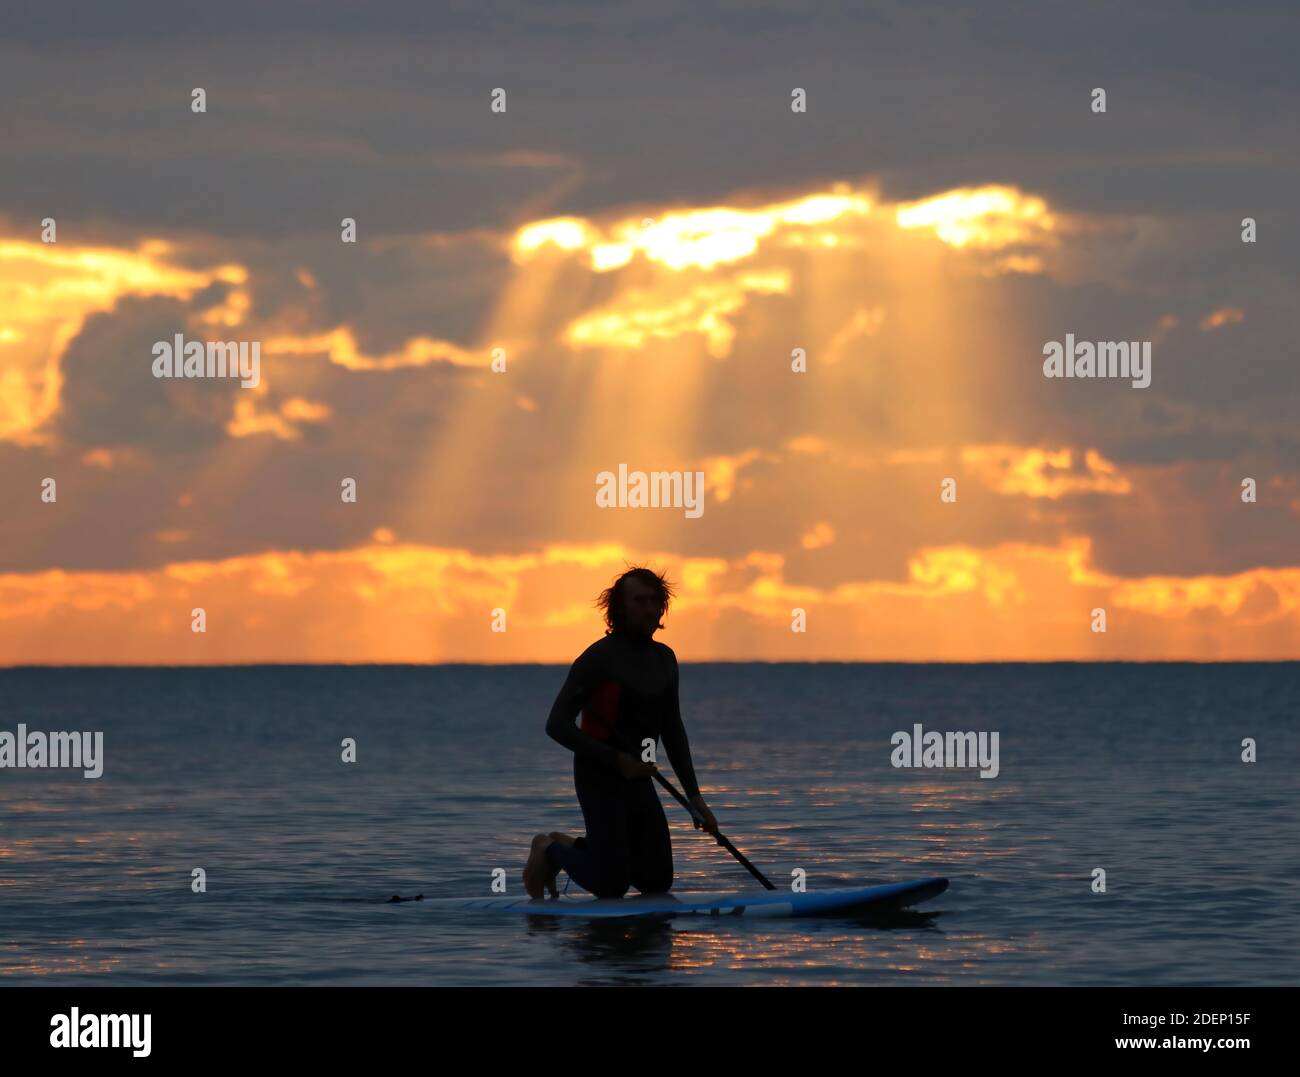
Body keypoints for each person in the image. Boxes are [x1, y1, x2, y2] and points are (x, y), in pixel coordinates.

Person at [522, 566, 718, 899]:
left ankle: (581, 850)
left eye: (655, 600)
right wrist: (616, 760)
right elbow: (556, 724)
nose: (649, 607)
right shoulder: (598, 658)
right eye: (639, 600)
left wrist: (695, 797)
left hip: (639, 777)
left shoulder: (665, 658)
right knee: (610, 885)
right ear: (620, 608)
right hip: (598, 774)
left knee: (656, 882)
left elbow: (672, 728)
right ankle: (548, 848)